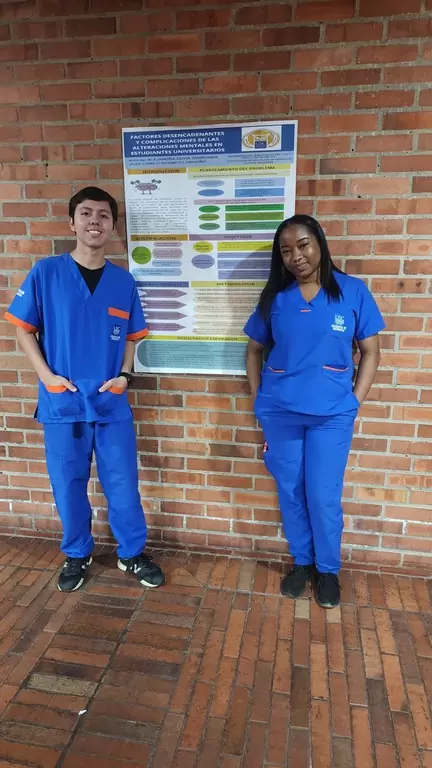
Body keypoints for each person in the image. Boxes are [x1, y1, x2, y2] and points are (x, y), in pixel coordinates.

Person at [5, 186, 165, 593]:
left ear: (112, 226)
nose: (95, 221)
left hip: (111, 402)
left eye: (104, 215)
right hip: (63, 402)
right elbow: (23, 330)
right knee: (68, 484)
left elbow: (131, 337)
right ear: (72, 223)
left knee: (123, 484)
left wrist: (125, 376)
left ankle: (131, 553)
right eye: (86, 213)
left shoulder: (123, 282)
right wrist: (46, 377)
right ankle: (77, 553)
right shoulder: (46, 273)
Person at [244, 215, 384, 608]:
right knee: (290, 491)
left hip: (332, 416)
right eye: (286, 250)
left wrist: (354, 401)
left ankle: (328, 569)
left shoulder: (352, 292)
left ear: (319, 242)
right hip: (280, 413)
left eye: (303, 245)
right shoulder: (276, 298)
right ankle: (302, 562)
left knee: (322, 495)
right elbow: (254, 351)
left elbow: (371, 352)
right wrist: (259, 401)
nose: (296, 256)